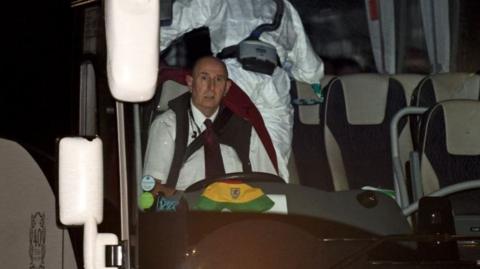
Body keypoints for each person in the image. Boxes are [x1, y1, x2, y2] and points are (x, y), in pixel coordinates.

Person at [159, 0, 324, 181]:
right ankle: (272, 199)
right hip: (273, 82)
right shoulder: (283, 7)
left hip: (235, 77)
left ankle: (226, 202)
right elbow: (310, 67)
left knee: (227, 151)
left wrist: (146, 54)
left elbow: (176, 21)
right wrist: (303, 77)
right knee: (274, 157)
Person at [143, 56, 279, 192]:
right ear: (190, 83)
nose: (211, 87)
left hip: (238, 209)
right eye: (204, 78)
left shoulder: (245, 130)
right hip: (185, 210)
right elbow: (151, 190)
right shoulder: (167, 125)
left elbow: (270, 185)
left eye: (218, 80)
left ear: (226, 88)